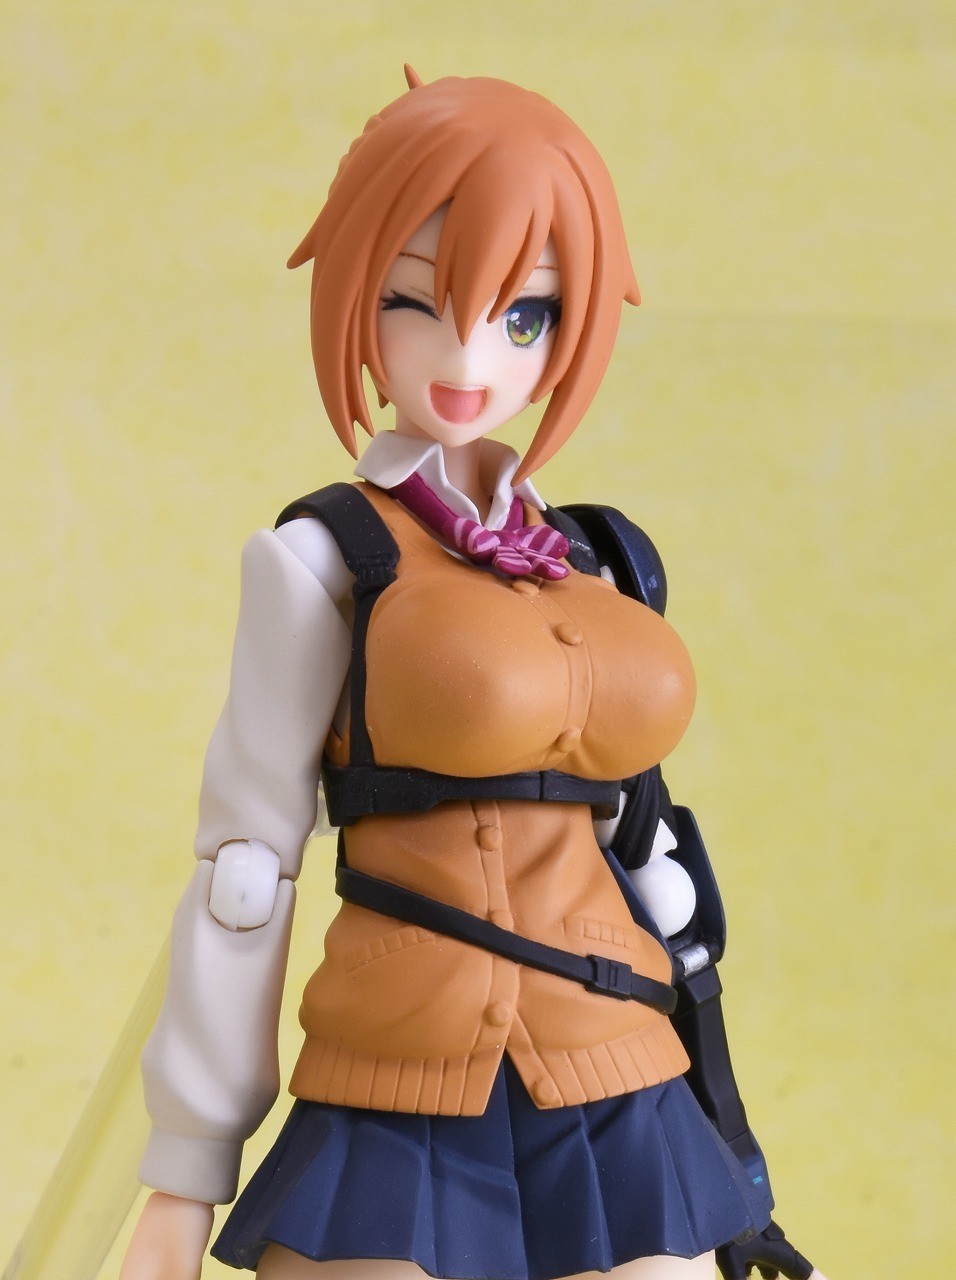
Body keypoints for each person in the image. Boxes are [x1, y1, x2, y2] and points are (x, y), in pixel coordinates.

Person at [120, 70, 825, 1280]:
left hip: (620, 1065)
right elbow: (246, 865)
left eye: (523, 315)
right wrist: (185, 1168)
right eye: (414, 301)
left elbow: (646, 853)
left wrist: (725, 1115)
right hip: (402, 1067)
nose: (466, 356)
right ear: (357, 297)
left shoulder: (602, 559)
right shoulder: (323, 559)